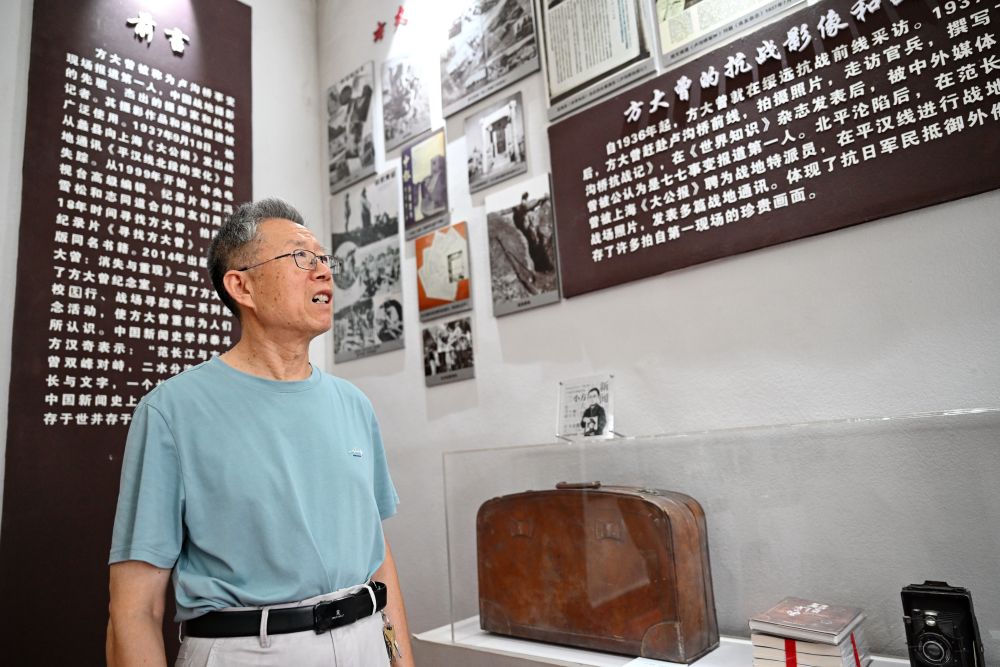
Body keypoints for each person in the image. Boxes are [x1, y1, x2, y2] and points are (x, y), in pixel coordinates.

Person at [107, 198, 414, 667]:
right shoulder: (172, 410)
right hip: (249, 650)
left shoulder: (353, 403)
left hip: (367, 639)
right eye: (301, 257)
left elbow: (377, 555)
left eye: (324, 259)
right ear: (242, 286)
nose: (324, 272)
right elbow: (135, 609)